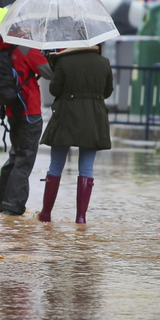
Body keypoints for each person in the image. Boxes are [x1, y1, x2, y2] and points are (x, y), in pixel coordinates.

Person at [0, 6, 51, 216]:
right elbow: (48, 72)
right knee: (24, 159)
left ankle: (1, 202)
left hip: (13, 110)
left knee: (15, 156)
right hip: (29, 111)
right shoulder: (25, 48)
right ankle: (14, 206)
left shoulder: (6, 47)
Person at [38, 43, 113, 224]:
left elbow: (54, 90)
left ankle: (46, 215)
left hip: (66, 117)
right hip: (93, 118)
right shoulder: (104, 62)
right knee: (86, 168)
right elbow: (107, 91)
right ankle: (81, 218)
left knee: (56, 165)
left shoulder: (64, 61)